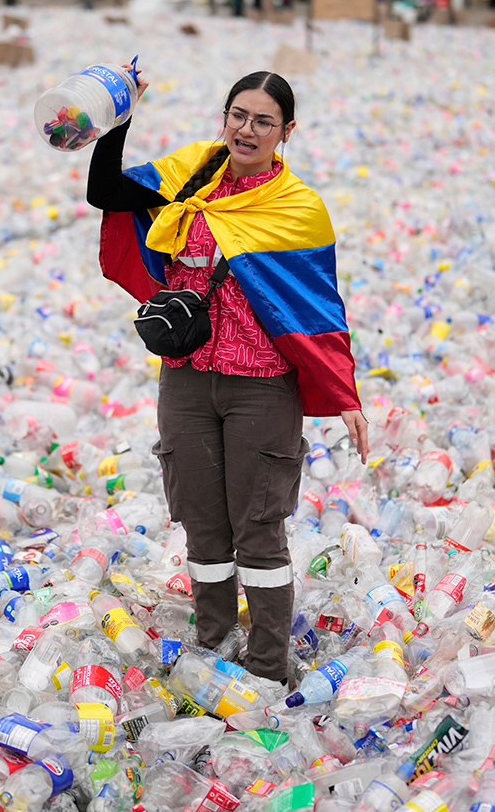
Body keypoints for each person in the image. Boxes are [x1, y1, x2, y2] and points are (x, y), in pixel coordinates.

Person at [86, 67, 368, 682]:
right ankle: (215, 646)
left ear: (286, 132)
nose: (246, 129)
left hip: (261, 387)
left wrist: (345, 395)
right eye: (237, 115)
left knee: (259, 529)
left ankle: (267, 665)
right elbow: (104, 191)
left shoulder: (297, 209)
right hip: (185, 378)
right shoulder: (193, 172)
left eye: (263, 121)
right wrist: (118, 114)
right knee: (203, 524)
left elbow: (318, 306)